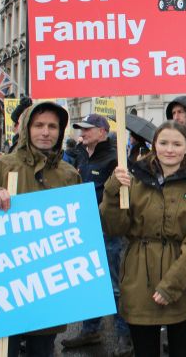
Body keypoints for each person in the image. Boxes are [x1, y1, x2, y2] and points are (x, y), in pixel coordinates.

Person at [0, 101, 81, 357]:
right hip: (6, 281)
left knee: (42, 349)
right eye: (39, 125)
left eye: (52, 126)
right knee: (4, 350)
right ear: (27, 129)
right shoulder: (3, 166)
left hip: (47, 281)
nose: (46, 132)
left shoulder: (68, 174)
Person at [100, 121, 186, 357]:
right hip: (138, 281)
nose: (169, 149)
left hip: (182, 288)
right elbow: (114, 227)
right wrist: (112, 193)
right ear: (154, 145)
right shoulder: (134, 181)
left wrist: (171, 285)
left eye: (176, 144)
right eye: (163, 143)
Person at [61, 113, 131, 355]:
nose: (82, 133)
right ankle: (90, 330)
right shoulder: (81, 154)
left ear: (102, 131)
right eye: (81, 129)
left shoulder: (115, 158)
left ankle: (124, 336)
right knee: (89, 281)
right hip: (85, 227)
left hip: (108, 230)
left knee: (115, 286)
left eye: (88, 129)